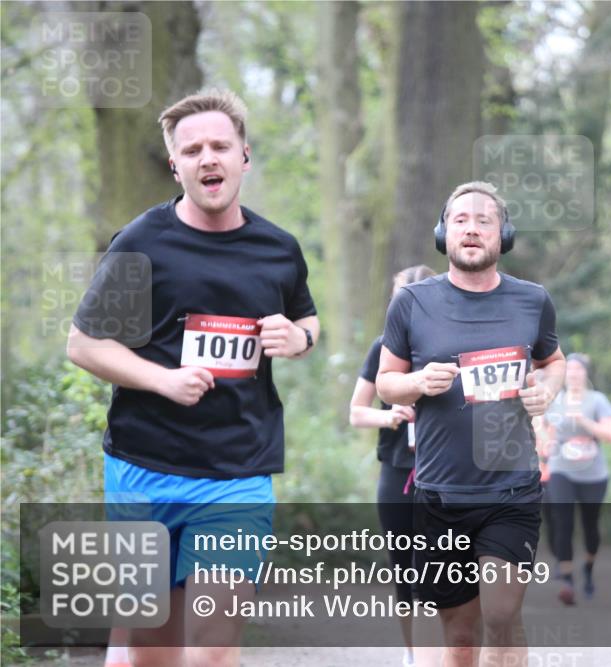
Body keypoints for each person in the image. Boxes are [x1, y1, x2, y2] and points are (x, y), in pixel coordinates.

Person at [67, 89, 319, 667]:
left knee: (211, 648)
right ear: (175, 165)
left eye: (220, 146)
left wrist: (300, 338)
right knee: (154, 649)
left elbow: (307, 317)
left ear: (244, 157)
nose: (208, 158)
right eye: (193, 149)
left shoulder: (278, 250)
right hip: (142, 466)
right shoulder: (141, 245)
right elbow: (84, 344)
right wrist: (162, 379)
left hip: (237, 472)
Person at [376, 181, 566, 667]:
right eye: (461, 219)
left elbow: (554, 361)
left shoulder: (532, 300)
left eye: (485, 220)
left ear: (504, 235)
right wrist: (417, 381)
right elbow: (385, 384)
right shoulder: (412, 302)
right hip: (440, 492)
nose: (473, 228)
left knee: (502, 617)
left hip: (511, 490)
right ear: (444, 233)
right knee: (460, 635)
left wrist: (547, 389)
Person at [349, 263, 435, 667]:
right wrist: (391, 416)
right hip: (399, 473)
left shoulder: (447, 345)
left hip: (447, 475)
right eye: (401, 301)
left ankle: (449, 648)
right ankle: (412, 652)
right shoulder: (382, 347)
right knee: (404, 570)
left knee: (447, 567)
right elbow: (356, 413)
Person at [538, 353, 611, 606]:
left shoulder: (597, 401)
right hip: (561, 469)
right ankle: (567, 580)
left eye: (577, 370)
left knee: (590, 525)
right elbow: (544, 435)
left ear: (585, 374)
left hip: (594, 474)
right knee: (562, 521)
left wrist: (584, 421)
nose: (573, 374)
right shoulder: (554, 402)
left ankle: (588, 570)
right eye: (568, 370)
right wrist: (545, 443)